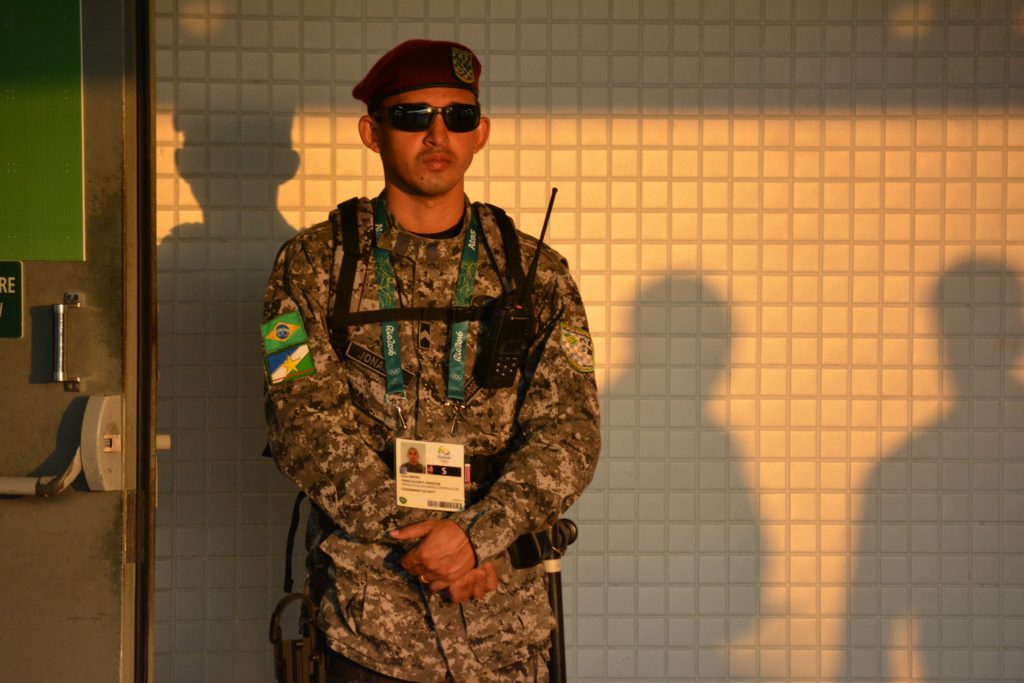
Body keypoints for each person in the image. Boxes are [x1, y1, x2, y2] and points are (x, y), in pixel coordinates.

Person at [261, 39, 601, 682]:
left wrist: (477, 537)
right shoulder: (312, 265)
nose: (437, 134)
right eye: (413, 116)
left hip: (503, 620)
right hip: (369, 625)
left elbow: (571, 434)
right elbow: (303, 427)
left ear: (481, 133)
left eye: (458, 117)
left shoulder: (536, 274)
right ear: (373, 132)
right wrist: (426, 542)